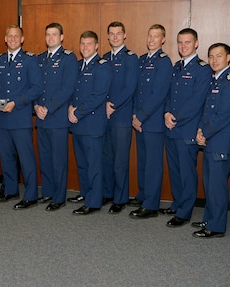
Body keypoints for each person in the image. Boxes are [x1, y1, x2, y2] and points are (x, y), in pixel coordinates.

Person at [160, 28, 212, 227]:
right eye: (180, 42)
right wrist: (166, 113)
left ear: (196, 43)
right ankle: (177, 203)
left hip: (187, 129)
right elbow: (168, 95)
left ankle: (185, 212)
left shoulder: (202, 69)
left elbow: (197, 101)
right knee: (174, 170)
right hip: (171, 127)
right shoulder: (176, 66)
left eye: (187, 42)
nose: (183, 46)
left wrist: (176, 117)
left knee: (187, 172)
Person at [192, 43, 230, 238]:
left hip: (222, 142)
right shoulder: (215, 80)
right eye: (211, 56)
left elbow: (223, 115)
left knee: (217, 187)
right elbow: (207, 111)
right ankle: (209, 218)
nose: (214, 60)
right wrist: (200, 130)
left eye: (219, 56)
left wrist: (204, 132)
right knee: (210, 184)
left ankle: (216, 227)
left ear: (228, 57)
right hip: (211, 140)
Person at [0, 25, 43, 209]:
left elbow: (37, 88)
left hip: (20, 117)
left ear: (22, 39)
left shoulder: (30, 60)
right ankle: (11, 190)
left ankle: (30, 196)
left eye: (16, 36)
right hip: (1, 119)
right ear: (5, 39)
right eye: (10, 36)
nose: (13, 39)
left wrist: (16, 102)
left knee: (26, 158)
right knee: (6, 158)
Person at [129, 24, 172, 219]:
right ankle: (144, 194)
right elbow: (136, 90)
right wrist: (134, 115)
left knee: (153, 164)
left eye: (156, 37)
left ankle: (152, 205)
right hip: (139, 120)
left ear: (163, 40)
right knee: (143, 162)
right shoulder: (142, 60)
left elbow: (158, 94)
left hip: (153, 122)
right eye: (150, 36)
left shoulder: (164, 62)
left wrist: (141, 116)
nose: (152, 40)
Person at [33, 22, 77, 211]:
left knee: (58, 159)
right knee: (45, 158)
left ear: (61, 37)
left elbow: (67, 88)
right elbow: (34, 86)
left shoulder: (69, 58)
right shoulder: (40, 58)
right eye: (47, 34)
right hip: (41, 118)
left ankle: (59, 197)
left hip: (57, 117)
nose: (50, 38)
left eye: (54, 34)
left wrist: (48, 107)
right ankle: (49, 192)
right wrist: (35, 106)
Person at [68, 30, 111, 215]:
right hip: (77, 122)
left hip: (92, 123)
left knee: (94, 164)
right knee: (83, 163)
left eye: (89, 44)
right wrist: (70, 107)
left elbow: (98, 96)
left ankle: (94, 202)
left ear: (96, 46)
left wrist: (77, 112)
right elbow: (71, 90)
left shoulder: (102, 66)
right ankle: (85, 193)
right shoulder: (78, 65)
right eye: (82, 44)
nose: (85, 47)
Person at [100, 21, 138, 214]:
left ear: (125, 36)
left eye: (118, 33)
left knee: (120, 160)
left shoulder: (131, 58)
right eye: (111, 34)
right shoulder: (104, 58)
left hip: (121, 117)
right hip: (103, 116)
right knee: (106, 157)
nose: (115, 37)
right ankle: (108, 192)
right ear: (107, 37)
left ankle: (121, 198)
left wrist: (112, 105)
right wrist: (103, 105)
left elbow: (129, 88)